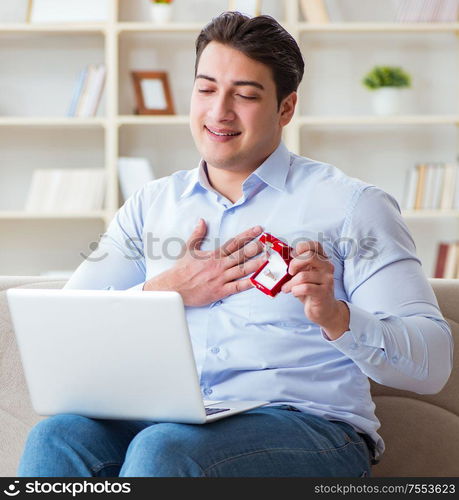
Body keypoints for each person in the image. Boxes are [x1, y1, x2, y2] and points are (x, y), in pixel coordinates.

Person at [18, 11, 452, 478]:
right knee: (57, 436)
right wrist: (167, 290)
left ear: (286, 108)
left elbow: (432, 364)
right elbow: (65, 334)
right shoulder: (151, 204)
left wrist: (336, 317)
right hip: (172, 418)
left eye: (244, 95)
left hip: (309, 427)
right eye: (206, 89)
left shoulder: (353, 206)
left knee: (167, 450)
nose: (219, 111)